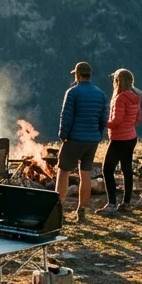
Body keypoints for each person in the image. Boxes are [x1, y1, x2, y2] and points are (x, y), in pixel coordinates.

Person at [56, 61, 108, 222]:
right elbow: (103, 119)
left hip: (74, 138)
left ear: (77, 75)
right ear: (89, 74)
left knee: (63, 172)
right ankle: (82, 211)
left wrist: (63, 135)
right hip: (92, 140)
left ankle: (58, 210)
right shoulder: (101, 94)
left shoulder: (72, 92)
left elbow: (66, 117)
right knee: (85, 174)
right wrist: (97, 135)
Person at [98, 69, 142, 215]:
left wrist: (103, 122)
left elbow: (116, 121)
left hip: (119, 139)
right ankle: (126, 203)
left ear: (118, 81)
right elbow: (138, 119)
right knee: (126, 169)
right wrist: (128, 124)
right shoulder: (135, 96)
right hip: (131, 137)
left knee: (107, 169)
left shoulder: (120, 98)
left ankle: (111, 205)